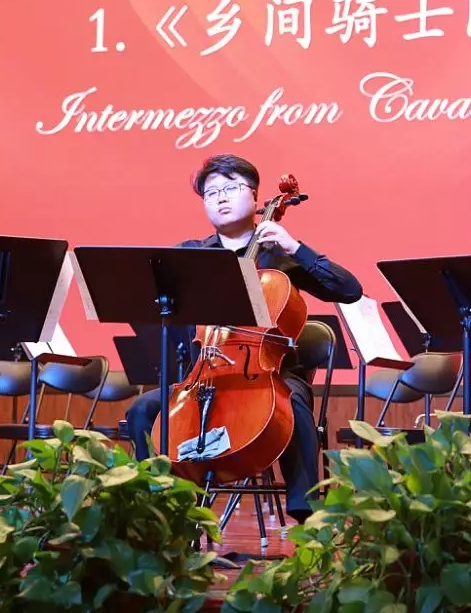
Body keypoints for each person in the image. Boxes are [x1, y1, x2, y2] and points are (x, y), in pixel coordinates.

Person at [125, 154, 362, 523]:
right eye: (211, 192)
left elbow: (349, 290)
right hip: (204, 375)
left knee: (292, 404)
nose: (220, 197)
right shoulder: (191, 255)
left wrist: (296, 248)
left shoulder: (281, 255)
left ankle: (307, 514)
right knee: (142, 409)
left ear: (254, 197)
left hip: (271, 373)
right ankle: (159, 509)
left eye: (231, 188)